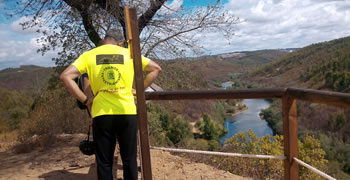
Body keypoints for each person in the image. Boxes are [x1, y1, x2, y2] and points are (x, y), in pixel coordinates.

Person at [60, 29, 162, 180]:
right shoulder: (129, 54)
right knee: (129, 159)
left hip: (102, 114)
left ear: (103, 39)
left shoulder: (89, 55)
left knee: (104, 161)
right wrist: (137, 91)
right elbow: (155, 69)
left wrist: (85, 100)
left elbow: (65, 76)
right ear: (120, 43)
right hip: (126, 111)